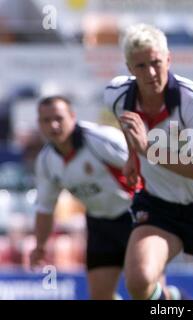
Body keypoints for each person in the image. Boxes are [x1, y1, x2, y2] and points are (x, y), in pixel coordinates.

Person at [104, 23, 193, 300]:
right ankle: (169, 299)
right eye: (141, 66)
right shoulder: (116, 95)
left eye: (156, 63)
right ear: (129, 68)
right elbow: (128, 123)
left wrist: (146, 150)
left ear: (168, 59)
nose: (151, 73)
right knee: (138, 281)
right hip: (158, 206)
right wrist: (133, 155)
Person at [30, 95, 136, 300]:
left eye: (59, 118)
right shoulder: (46, 161)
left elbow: (146, 167)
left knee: (143, 286)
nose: (53, 125)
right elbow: (44, 208)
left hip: (135, 219)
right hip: (99, 225)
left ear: (72, 116)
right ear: (39, 124)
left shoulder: (102, 139)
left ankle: (179, 300)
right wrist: (40, 246)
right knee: (99, 296)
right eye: (46, 120)